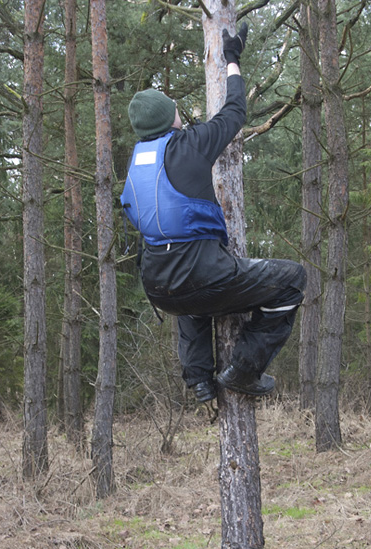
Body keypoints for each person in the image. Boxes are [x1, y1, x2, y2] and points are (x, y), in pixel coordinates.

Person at [120, 24, 306, 402]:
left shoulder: (137, 165)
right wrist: (232, 58)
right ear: (168, 118)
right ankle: (244, 370)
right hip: (201, 278)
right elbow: (234, 111)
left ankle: (199, 379)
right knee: (292, 280)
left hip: (158, 287)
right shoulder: (190, 145)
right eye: (174, 108)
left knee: (190, 296)